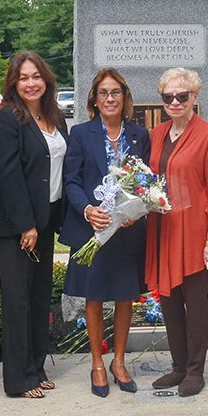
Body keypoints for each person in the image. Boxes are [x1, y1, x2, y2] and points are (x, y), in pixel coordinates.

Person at [60, 68, 150, 397]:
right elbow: (71, 179)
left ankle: (120, 361)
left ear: (125, 98)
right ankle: (98, 363)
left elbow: (145, 183)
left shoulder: (140, 135)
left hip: (127, 231)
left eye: (116, 93)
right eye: (103, 93)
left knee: (126, 295)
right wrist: (87, 210)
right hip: (93, 229)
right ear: (94, 100)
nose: (110, 98)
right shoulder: (81, 134)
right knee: (95, 295)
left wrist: (135, 212)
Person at [0, 51, 68, 399]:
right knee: (18, 299)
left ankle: (35, 366)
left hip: (45, 220)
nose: (31, 83)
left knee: (37, 296)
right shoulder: (8, 118)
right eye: (23, 77)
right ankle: (18, 380)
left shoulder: (53, 116)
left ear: (46, 79)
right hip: (15, 224)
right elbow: (8, 174)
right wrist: (26, 225)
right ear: (13, 83)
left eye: (36, 76)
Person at [145, 67, 208, 397]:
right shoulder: (159, 133)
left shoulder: (207, 135)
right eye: (168, 97)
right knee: (169, 301)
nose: (175, 102)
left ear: (194, 97)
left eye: (182, 96)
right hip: (162, 230)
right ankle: (178, 366)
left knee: (194, 303)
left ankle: (195, 370)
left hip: (194, 232)